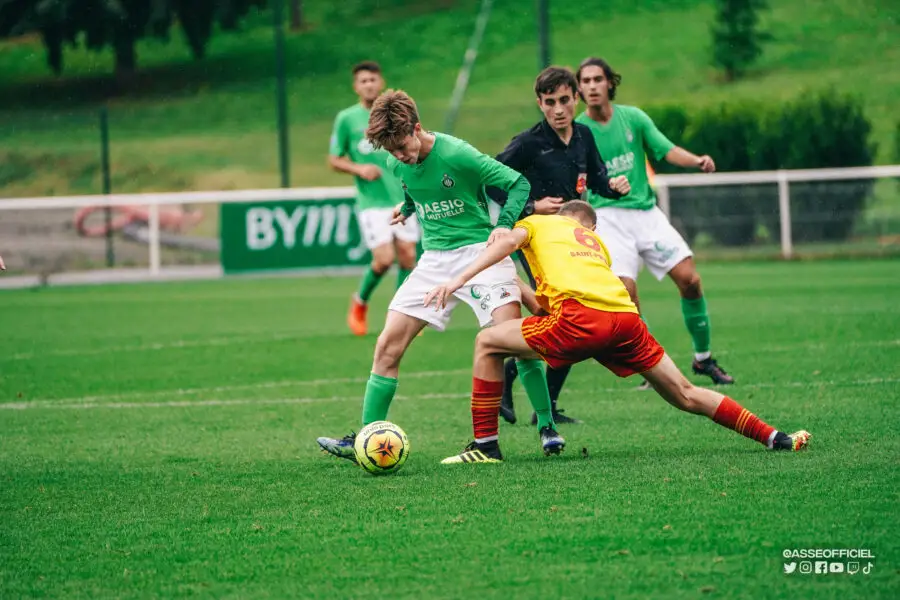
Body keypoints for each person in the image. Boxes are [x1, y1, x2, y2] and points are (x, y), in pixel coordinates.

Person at [424, 201, 810, 463]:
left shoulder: (541, 223)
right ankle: (774, 436)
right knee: (685, 394)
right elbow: (544, 307)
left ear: (563, 216)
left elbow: (508, 243)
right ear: (589, 227)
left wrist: (458, 278)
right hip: (625, 321)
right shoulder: (597, 247)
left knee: (487, 342)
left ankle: (486, 447)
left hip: (579, 320)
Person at [317, 90, 565, 463]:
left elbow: (518, 184)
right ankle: (365, 438)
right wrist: (409, 207)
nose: (399, 155)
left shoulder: (457, 152)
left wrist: (503, 227)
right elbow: (415, 185)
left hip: (480, 253)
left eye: (402, 145)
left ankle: (546, 426)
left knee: (511, 339)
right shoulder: (396, 159)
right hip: (434, 261)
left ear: (417, 128)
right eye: (391, 150)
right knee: (387, 346)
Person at [575, 57, 734, 385]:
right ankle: (649, 364)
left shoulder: (633, 118)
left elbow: (666, 149)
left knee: (690, 280)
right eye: (585, 81)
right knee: (626, 293)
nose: (591, 86)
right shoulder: (578, 130)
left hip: (646, 214)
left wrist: (696, 160)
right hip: (607, 218)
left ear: (610, 83)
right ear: (579, 88)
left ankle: (703, 359)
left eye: (597, 79)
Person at [488, 66, 630, 425]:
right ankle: (515, 382)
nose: (558, 109)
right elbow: (490, 181)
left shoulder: (583, 134)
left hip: (572, 240)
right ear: (540, 103)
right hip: (536, 239)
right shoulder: (527, 143)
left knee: (564, 315)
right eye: (549, 103)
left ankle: (537, 400)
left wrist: (615, 187)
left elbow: (596, 178)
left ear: (575, 99)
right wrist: (532, 205)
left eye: (564, 100)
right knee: (562, 314)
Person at [329, 61, 420, 336]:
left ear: (381, 82)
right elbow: (333, 159)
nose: (368, 84)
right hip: (372, 203)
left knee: (407, 258)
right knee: (383, 260)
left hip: (402, 197)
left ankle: (399, 316)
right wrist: (359, 168)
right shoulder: (347, 119)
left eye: (372, 79)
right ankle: (360, 302)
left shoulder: (395, 116)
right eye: (363, 81)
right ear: (356, 86)